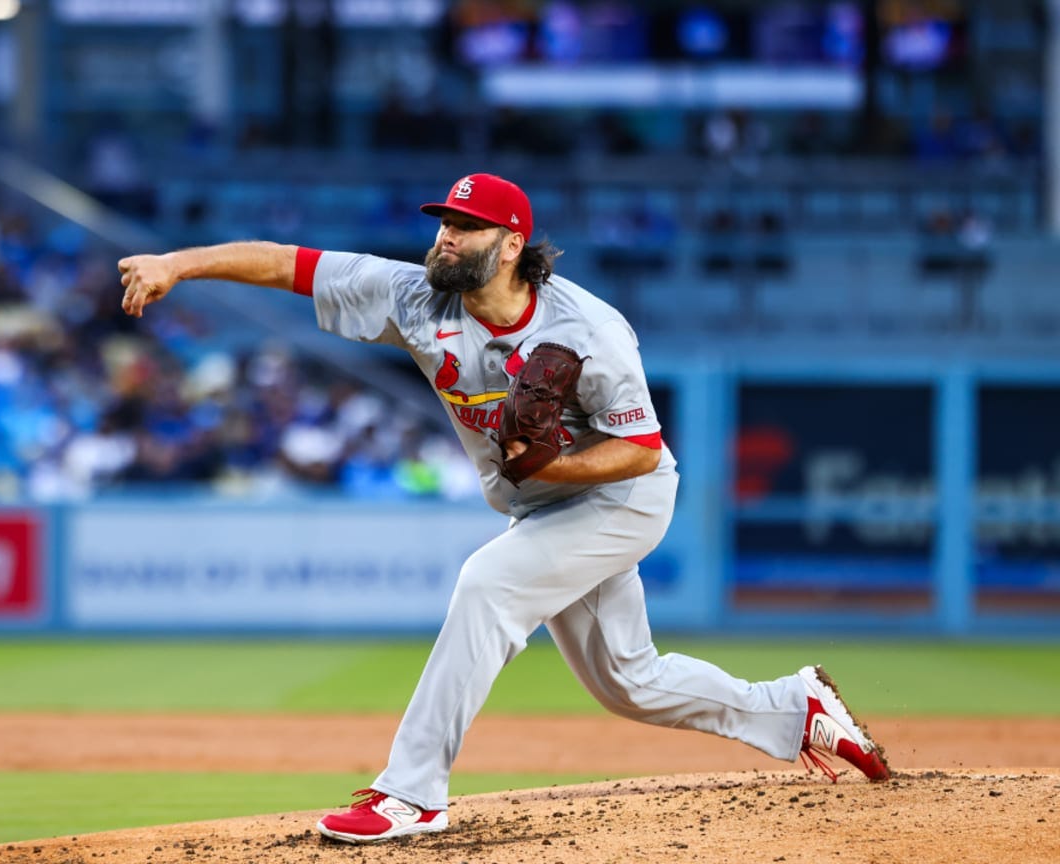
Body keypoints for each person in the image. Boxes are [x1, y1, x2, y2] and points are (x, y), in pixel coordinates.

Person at [117, 174, 890, 844]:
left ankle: (411, 794)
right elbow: (291, 264)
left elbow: (643, 450)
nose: (445, 237)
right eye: (444, 223)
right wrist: (177, 265)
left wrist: (555, 463)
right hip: (546, 509)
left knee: (488, 585)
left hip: (622, 497)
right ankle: (795, 709)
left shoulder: (586, 330)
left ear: (512, 243)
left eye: (465, 226)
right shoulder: (416, 298)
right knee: (629, 681)